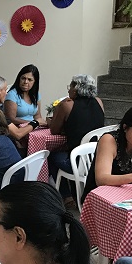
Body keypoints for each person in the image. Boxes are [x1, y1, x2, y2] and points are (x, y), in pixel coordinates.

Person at [82, 105, 132, 200]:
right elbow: (101, 179)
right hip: (101, 196)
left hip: (131, 194)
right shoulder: (109, 140)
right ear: (125, 128)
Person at [48, 74, 105, 205]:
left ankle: (66, 195)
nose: (68, 90)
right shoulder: (99, 102)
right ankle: (74, 192)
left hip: (77, 163)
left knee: (52, 156)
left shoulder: (67, 106)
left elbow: (54, 130)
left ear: (75, 89)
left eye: (70, 87)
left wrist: (57, 110)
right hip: (95, 159)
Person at [4, 64, 44, 131]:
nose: (25, 82)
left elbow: (37, 115)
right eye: (23, 78)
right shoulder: (12, 95)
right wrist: (33, 123)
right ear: (19, 79)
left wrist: (40, 124)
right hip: (17, 130)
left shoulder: (36, 95)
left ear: (35, 82)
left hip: (33, 128)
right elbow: (11, 119)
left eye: (29, 80)